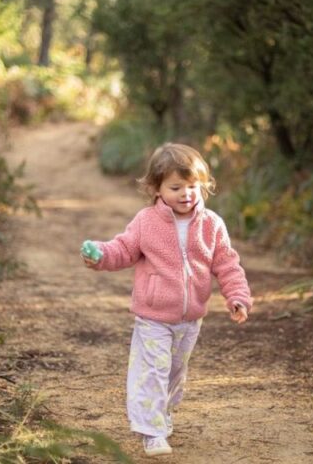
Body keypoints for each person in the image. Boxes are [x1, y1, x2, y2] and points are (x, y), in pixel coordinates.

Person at [80, 143, 252, 457]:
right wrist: (100, 254)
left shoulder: (212, 224)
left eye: (193, 186)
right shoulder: (146, 222)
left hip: (190, 319)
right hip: (154, 316)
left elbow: (227, 264)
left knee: (174, 372)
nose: (186, 194)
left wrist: (237, 296)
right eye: (176, 187)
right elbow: (124, 249)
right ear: (156, 188)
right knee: (153, 371)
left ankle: (164, 411)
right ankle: (152, 431)